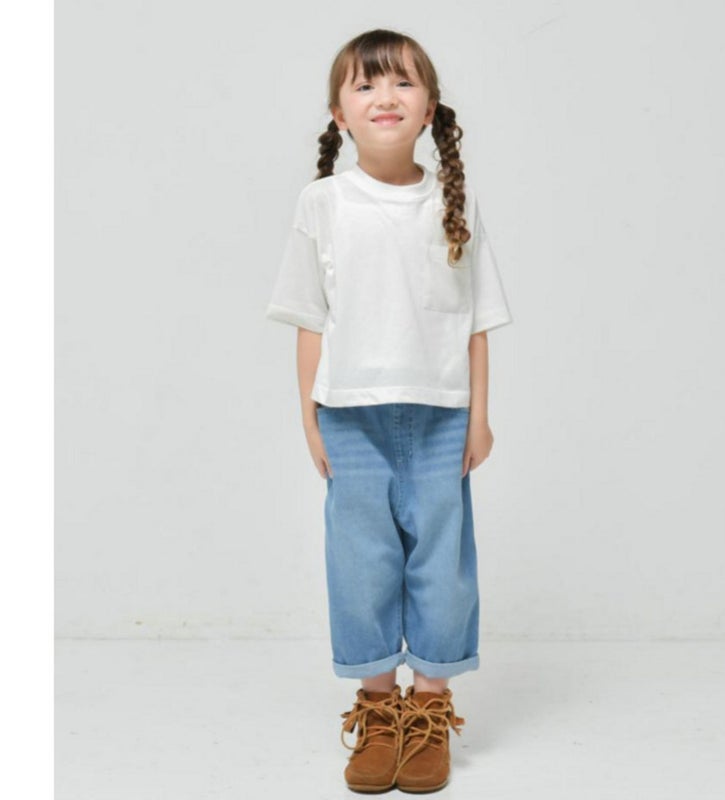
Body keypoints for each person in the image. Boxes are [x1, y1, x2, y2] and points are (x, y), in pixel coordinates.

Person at [265, 28, 513, 794]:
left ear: (429, 108)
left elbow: (474, 321)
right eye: (365, 84)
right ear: (338, 113)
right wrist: (309, 416)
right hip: (350, 416)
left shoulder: (453, 202)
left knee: (442, 564)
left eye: (402, 82)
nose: (385, 97)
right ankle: (378, 710)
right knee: (361, 562)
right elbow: (310, 317)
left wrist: (479, 416)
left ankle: (430, 707)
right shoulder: (323, 202)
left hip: (441, 417)